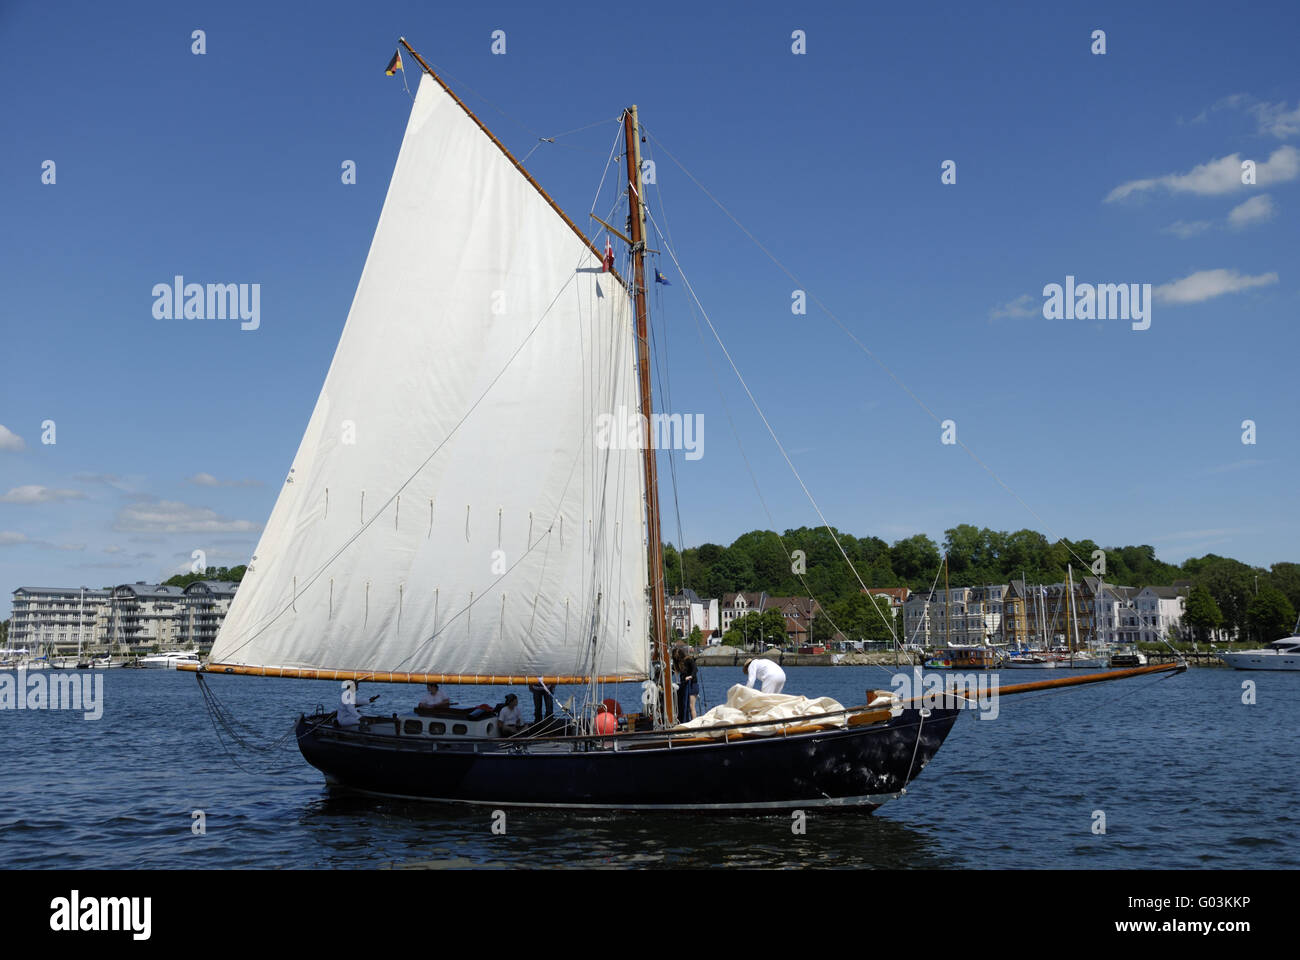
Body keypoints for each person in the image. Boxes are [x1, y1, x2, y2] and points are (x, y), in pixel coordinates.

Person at [674, 648, 699, 720]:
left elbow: (695, 669)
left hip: (692, 685)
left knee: (691, 706)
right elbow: (673, 671)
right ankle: (685, 720)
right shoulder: (678, 663)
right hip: (684, 686)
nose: (677, 659)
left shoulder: (689, 660)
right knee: (683, 705)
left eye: (678, 657)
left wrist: (691, 676)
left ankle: (694, 723)